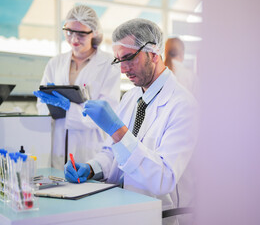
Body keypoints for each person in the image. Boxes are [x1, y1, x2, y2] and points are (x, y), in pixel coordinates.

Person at [64, 18, 198, 225]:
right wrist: (92, 168)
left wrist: (119, 131)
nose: (123, 69)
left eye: (129, 58)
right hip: (126, 208)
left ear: (153, 53)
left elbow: (163, 179)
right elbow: (112, 153)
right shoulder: (131, 98)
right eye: (118, 60)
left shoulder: (183, 106)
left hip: (161, 216)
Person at [34, 5, 121, 169]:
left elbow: (107, 111)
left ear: (94, 32)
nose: (74, 39)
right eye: (69, 31)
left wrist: (71, 108)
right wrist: (49, 105)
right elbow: (41, 106)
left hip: (89, 146)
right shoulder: (55, 63)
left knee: (88, 188)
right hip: (59, 143)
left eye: (81, 34)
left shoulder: (109, 64)